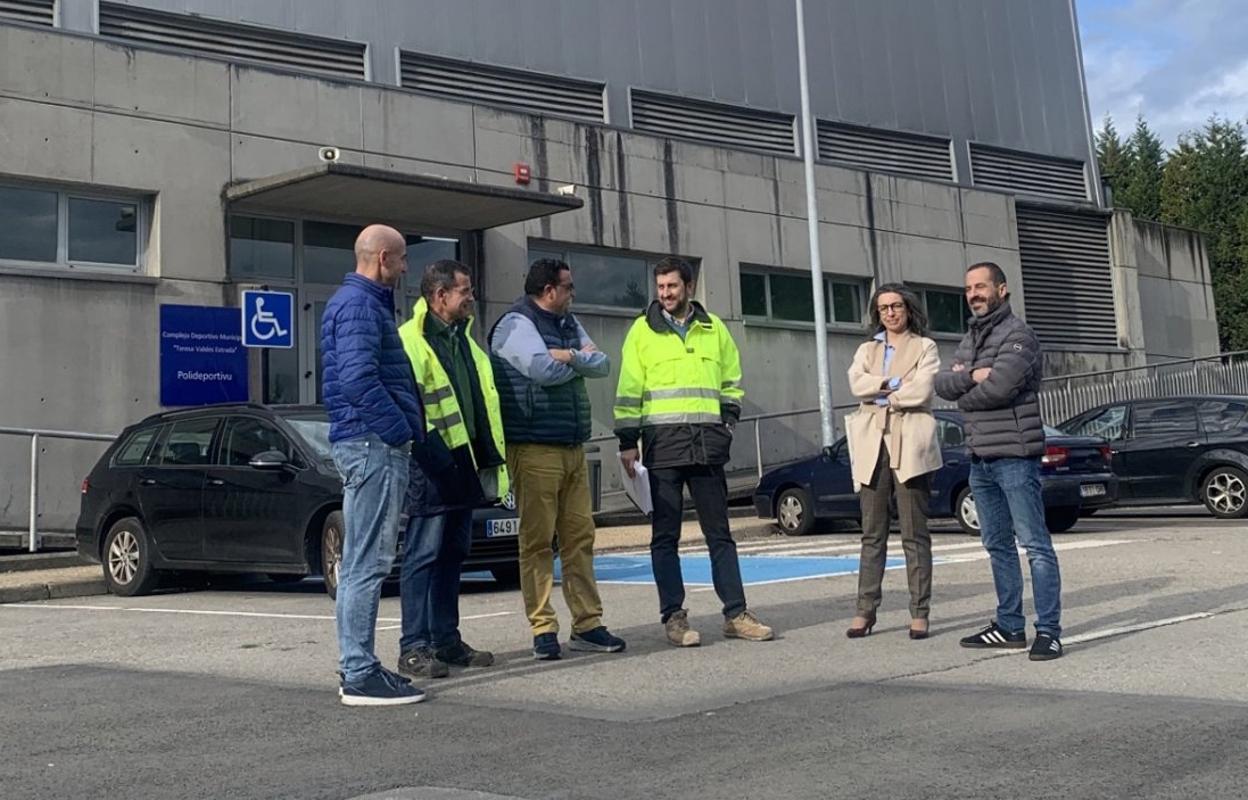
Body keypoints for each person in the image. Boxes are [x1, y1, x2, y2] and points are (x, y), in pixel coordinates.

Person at [615, 256, 774, 647]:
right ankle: (674, 618)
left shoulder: (713, 328)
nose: (665, 294)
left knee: (720, 535)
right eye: (660, 287)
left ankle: (735, 614)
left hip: (707, 447)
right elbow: (629, 387)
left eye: (672, 286)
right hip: (662, 446)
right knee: (664, 537)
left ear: (688, 286)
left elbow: (731, 381)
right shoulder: (641, 331)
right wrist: (626, 442)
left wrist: (728, 423)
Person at [488, 258, 626, 661]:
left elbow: (601, 364)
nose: (572, 293)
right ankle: (543, 628)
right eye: (568, 287)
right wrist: (572, 359)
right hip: (533, 447)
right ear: (549, 290)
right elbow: (541, 370)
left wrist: (567, 356)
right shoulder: (514, 324)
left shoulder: (567, 322)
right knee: (536, 542)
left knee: (579, 538)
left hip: (571, 445)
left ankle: (588, 624)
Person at [934, 262, 1064, 661]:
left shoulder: (1019, 335)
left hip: (1014, 458)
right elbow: (941, 384)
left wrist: (966, 385)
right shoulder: (971, 339)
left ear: (1002, 290)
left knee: (1035, 545)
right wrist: (974, 376)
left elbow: (1001, 388)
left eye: (981, 286)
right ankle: (1009, 625)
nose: (974, 293)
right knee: (996, 545)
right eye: (969, 287)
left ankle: (1049, 631)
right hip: (980, 458)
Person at [321, 224, 426, 706]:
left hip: (366, 443)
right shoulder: (361, 305)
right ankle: (360, 672)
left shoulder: (357, 303)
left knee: (363, 560)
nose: (406, 269)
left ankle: (359, 667)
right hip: (372, 446)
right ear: (383, 257)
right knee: (368, 561)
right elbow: (360, 378)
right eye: (403, 260)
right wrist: (400, 430)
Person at [396, 260, 507, 679]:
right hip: (431, 464)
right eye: (464, 290)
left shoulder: (465, 339)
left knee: (453, 555)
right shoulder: (411, 340)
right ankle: (414, 647)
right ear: (440, 296)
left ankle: (446, 640)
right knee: (422, 555)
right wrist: (436, 456)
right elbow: (410, 407)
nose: (471, 296)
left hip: (466, 463)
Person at [844, 283, 942, 640]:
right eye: (883, 308)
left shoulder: (925, 346)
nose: (890, 313)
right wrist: (892, 381)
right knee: (872, 533)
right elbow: (857, 384)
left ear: (908, 309)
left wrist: (884, 392)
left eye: (896, 306)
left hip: (910, 441)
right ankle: (865, 610)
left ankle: (920, 612)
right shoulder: (867, 349)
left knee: (915, 533)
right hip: (872, 441)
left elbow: (922, 389)